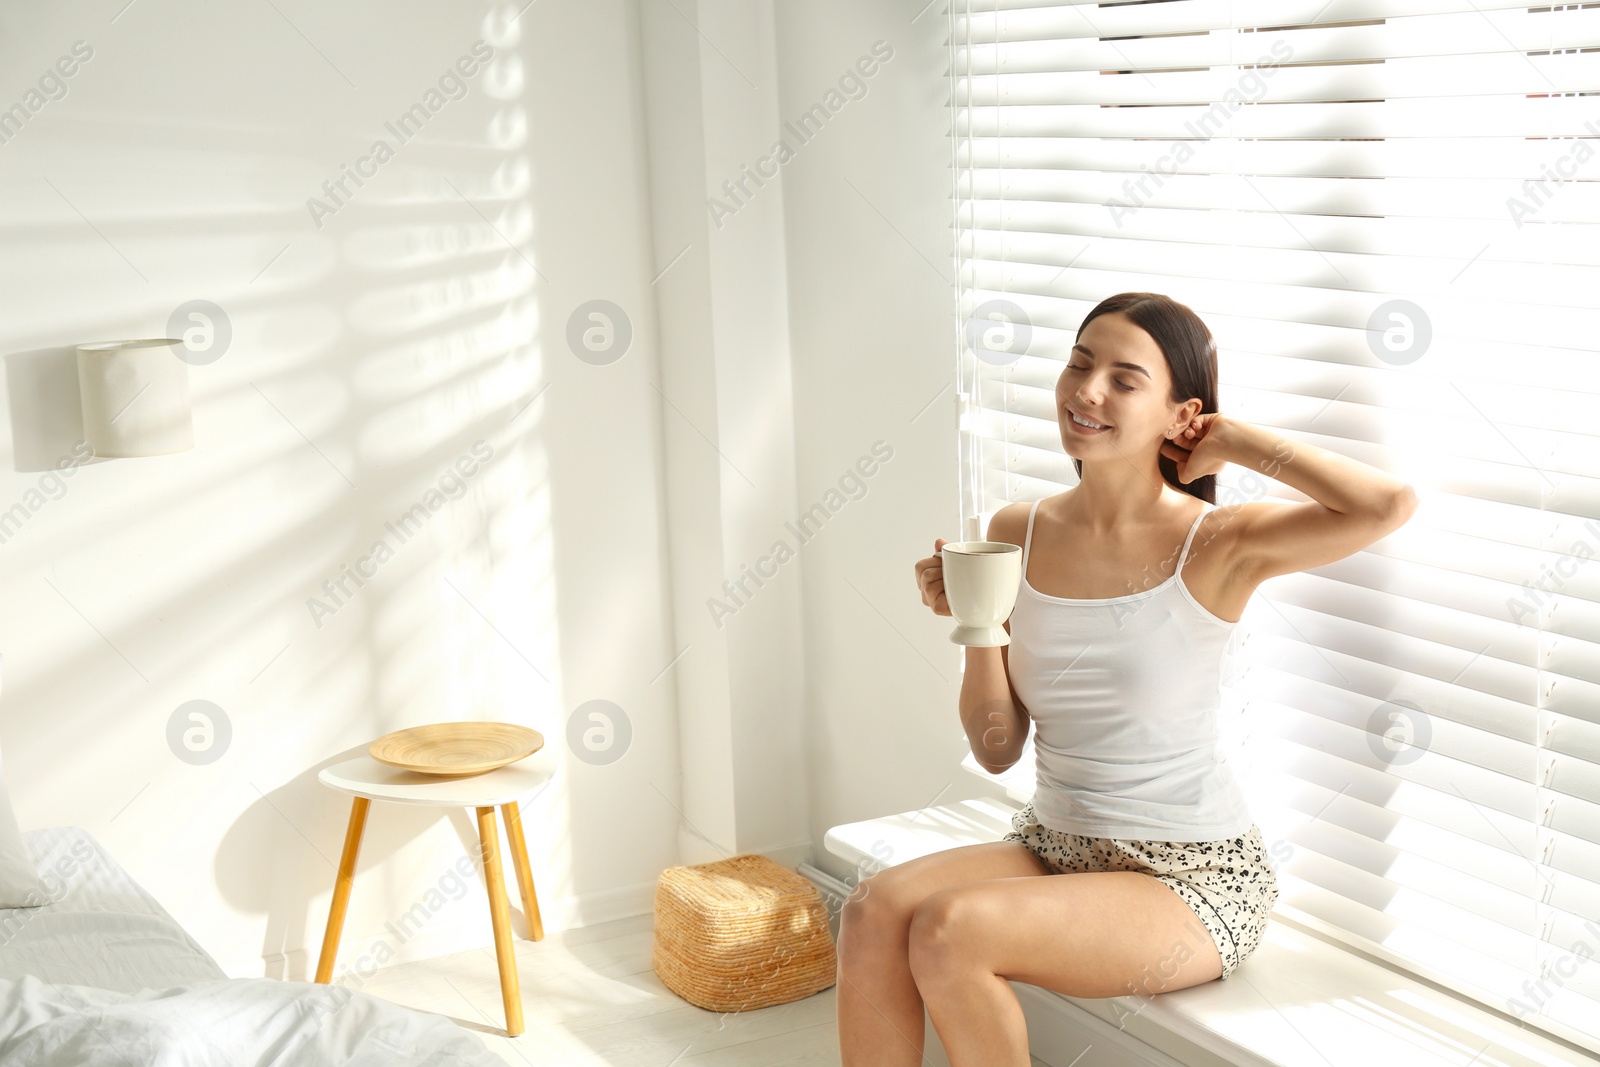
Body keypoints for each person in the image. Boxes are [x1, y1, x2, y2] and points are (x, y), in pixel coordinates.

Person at [837, 292, 1419, 1067]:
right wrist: (977, 621)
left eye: (1123, 378)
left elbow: (1386, 503)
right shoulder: (1018, 530)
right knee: (874, 910)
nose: (1086, 390)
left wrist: (1234, 439)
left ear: (1181, 413)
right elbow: (998, 748)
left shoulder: (1217, 542)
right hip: (1057, 842)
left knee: (950, 931)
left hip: (1195, 874)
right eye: (1080, 363)